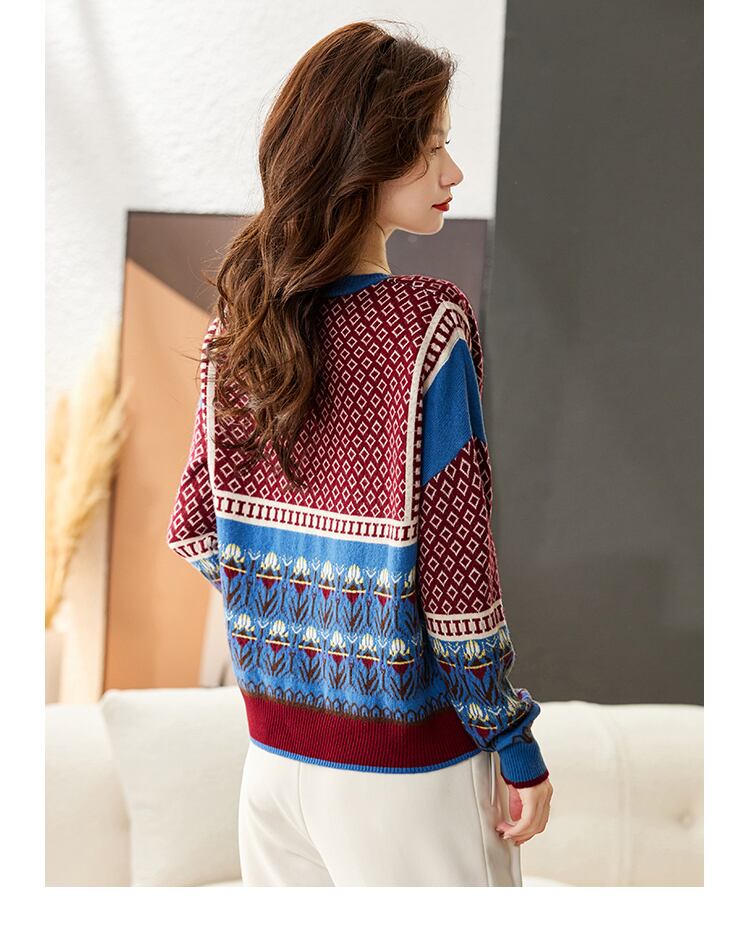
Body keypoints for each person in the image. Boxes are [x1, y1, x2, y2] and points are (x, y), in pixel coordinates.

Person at [166, 19, 552, 887]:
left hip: (273, 765)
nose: (453, 173)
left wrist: (311, 626)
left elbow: (194, 528)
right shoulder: (427, 326)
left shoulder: (241, 325)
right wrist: (514, 740)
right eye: (431, 147)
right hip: (408, 774)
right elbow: (457, 579)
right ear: (365, 154)